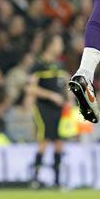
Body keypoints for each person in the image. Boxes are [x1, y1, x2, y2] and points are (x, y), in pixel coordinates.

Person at [26, 34, 68, 188]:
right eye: (58, 43)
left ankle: (57, 181)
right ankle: (35, 179)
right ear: (49, 45)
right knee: (44, 141)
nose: (61, 46)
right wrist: (51, 96)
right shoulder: (38, 65)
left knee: (59, 142)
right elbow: (30, 88)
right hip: (43, 107)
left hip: (59, 109)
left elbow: (64, 85)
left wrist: (68, 97)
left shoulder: (60, 65)